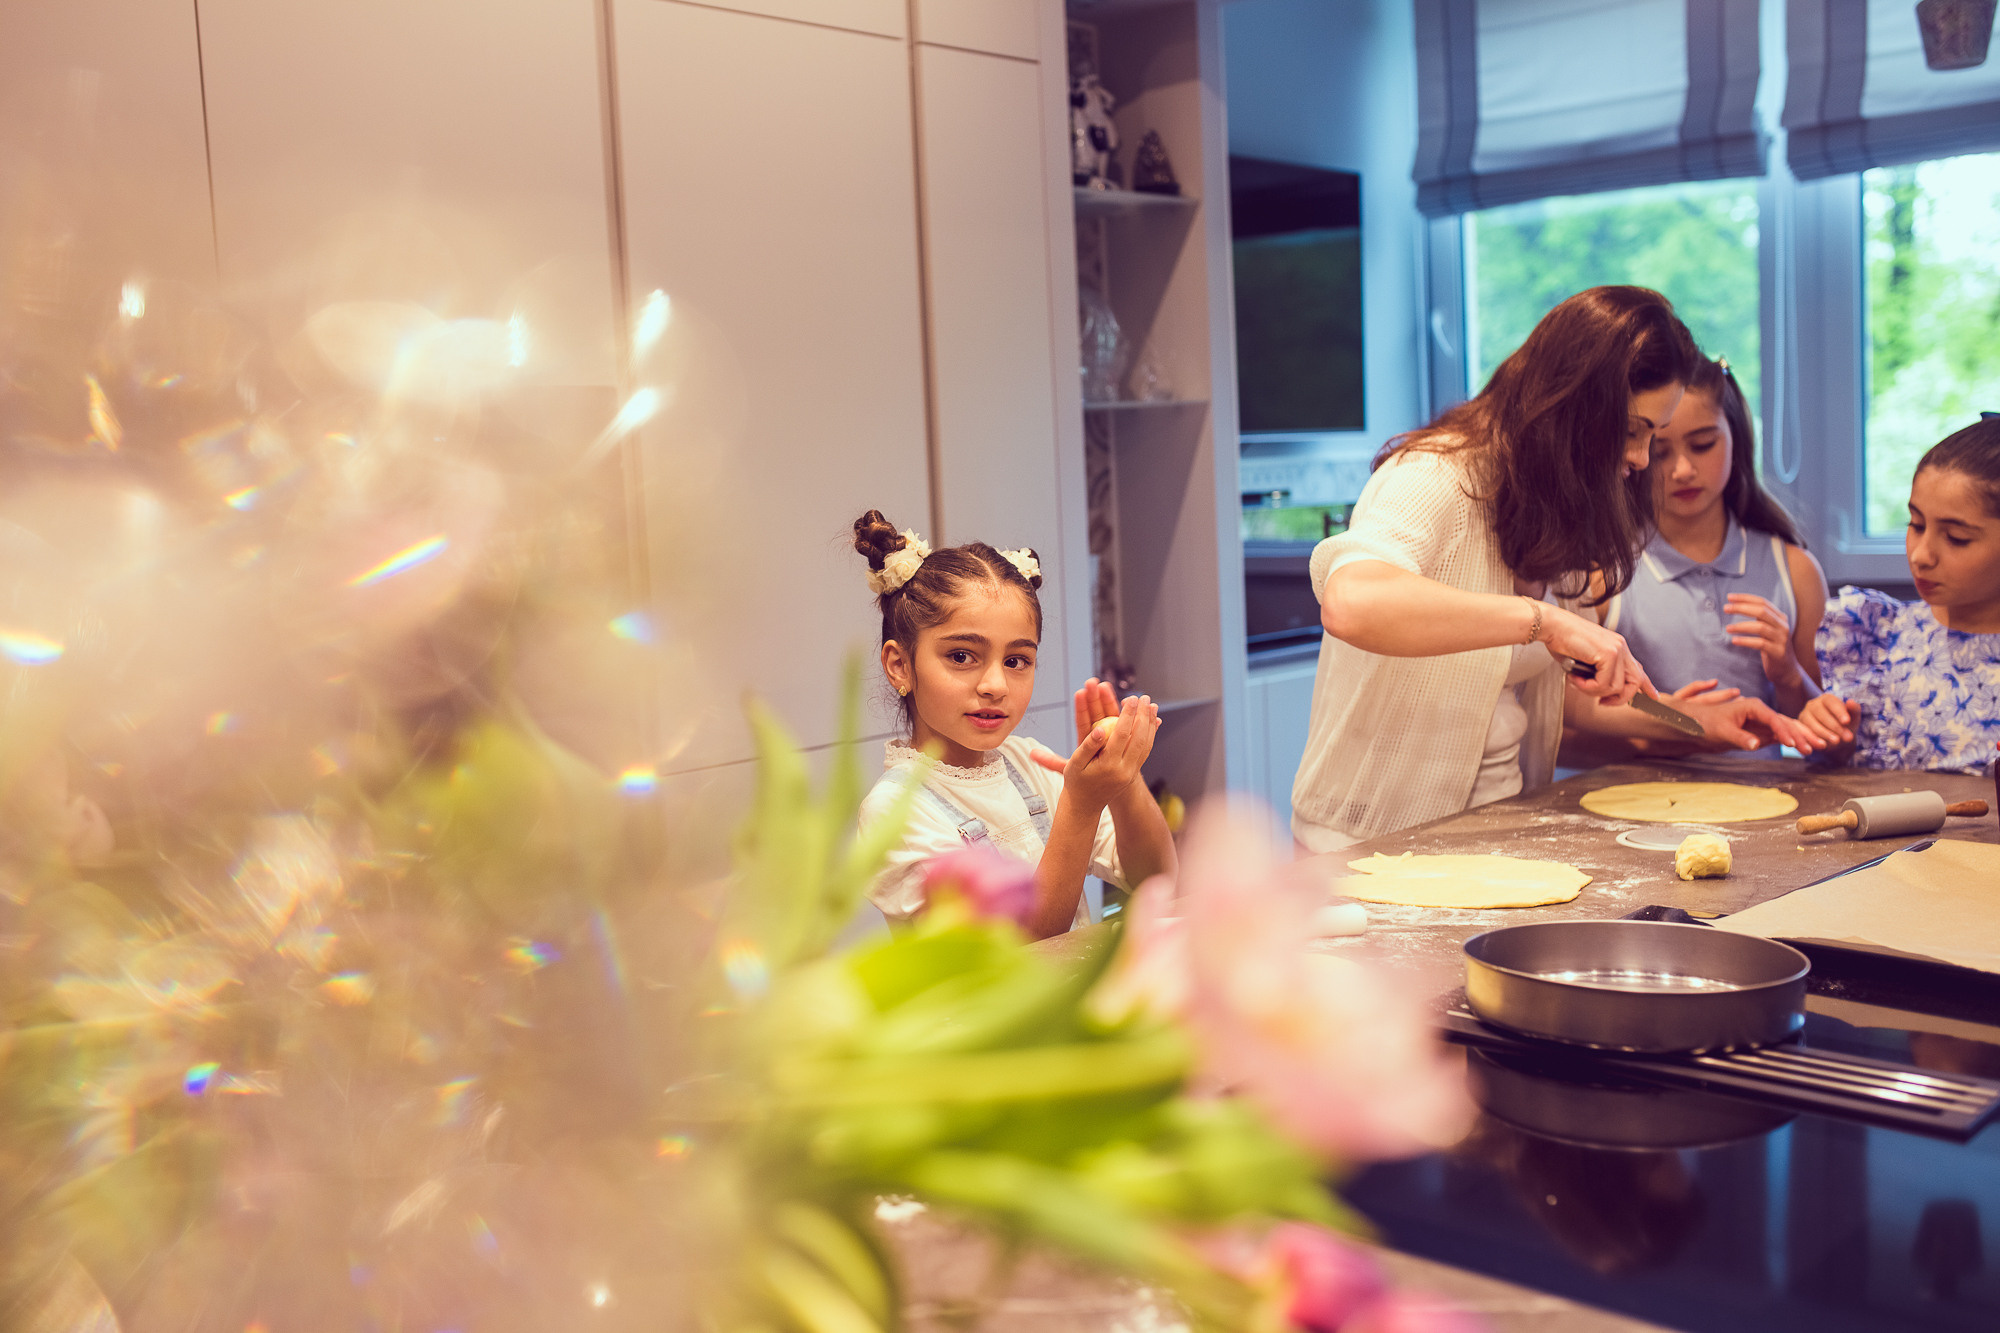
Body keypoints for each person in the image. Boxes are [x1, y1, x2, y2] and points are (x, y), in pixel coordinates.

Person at [1292, 287, 1820, 851]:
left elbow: (1552, 691)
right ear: (1575, 407)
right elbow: (1352, 604)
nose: (1642, 458)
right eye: (1635, 430)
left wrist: (1684, 718)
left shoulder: (1560, 501)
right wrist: (1545, 620)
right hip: (1363, 838)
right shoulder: (1430, 475)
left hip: (1488, 827)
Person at [850, 510, 1175, 938]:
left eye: (1016, 660)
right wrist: (1080, 806)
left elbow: (1157, 879)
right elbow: (1017, 954)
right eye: (961, 656)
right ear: (900, 666)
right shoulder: (894, 811)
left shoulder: (1030, 761)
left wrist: (1123, 780)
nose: (995, 685)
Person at [1582, 355, 1828, 758]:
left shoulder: (1796, 571)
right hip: (1639, 809)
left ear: (1738, 437)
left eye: (1703, 444)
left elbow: (1827, 741)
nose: (1682, 470)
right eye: (1659, 452)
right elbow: (1568, 724)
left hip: (1763, 808)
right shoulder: (1602, 577)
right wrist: (1669, 723)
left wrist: (1788, 675)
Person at [1799, 417, 2000, 773]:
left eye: (1956, 538)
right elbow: (1851, 771)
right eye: (1916, 525)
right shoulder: (1882, 639)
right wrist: (1829, 737)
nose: (1921, 554)